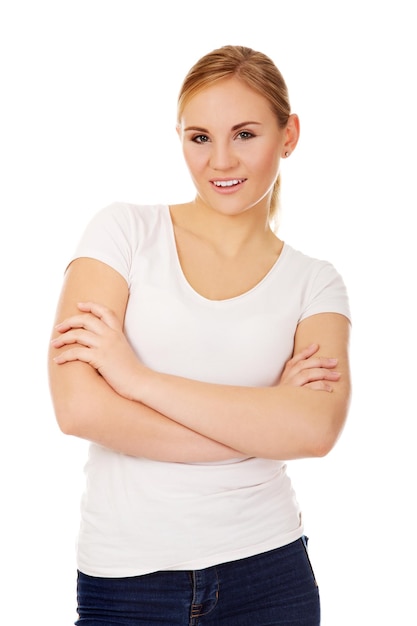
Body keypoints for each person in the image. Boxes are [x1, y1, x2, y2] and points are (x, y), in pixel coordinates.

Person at [48, 44, 351, 626]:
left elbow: (314, 429)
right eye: (200, 137)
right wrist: (262, 427)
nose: (220, 161)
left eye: (245, 134)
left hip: (269, 573)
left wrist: (135, 379)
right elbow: (78, 407)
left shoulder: (315, 283)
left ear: (289, 135)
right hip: (128, 580)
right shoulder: (123, 233)